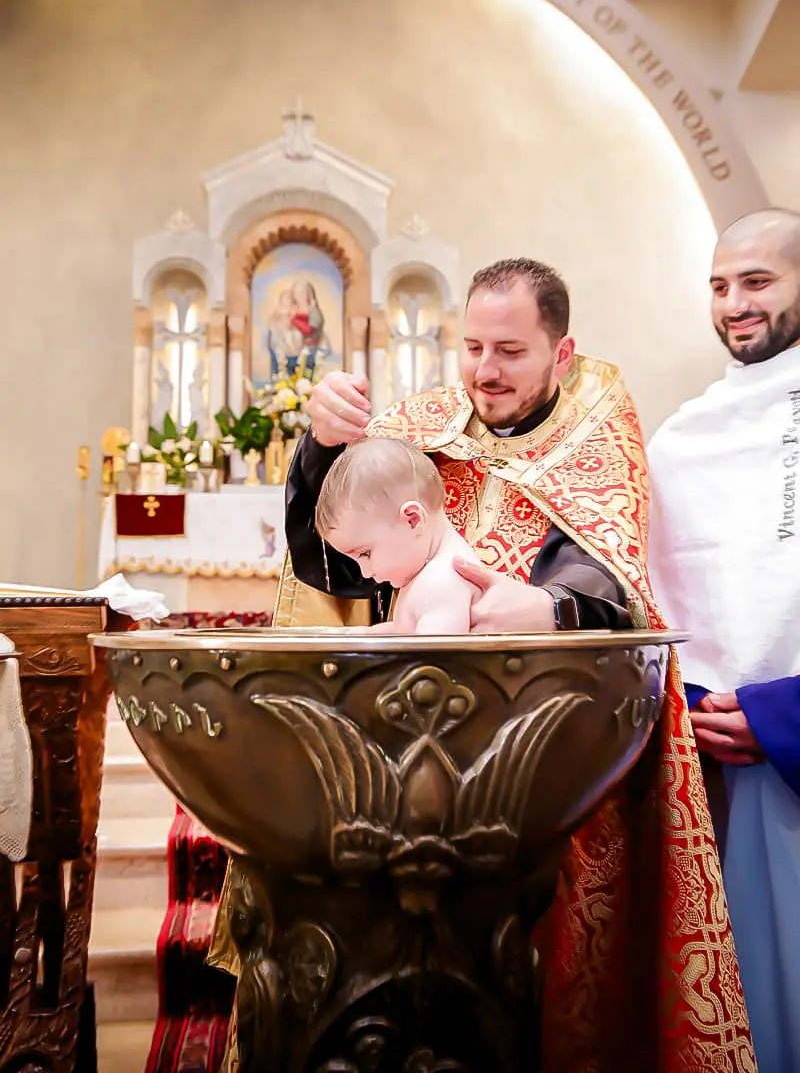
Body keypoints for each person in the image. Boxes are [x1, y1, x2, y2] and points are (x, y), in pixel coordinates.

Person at [211, 257, 753, 1072]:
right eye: (471, 347)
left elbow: (608, 555)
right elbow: (345, 565)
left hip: (544, 756)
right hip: (403, 762)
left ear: (560, 354)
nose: (484, 371)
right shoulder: (425, 423)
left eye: (510, 351)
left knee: (535, 987)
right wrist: (321, 448)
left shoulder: (598, 424)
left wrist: (552, 607)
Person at [647, 207, 800, 1072]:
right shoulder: (682, 437)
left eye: (757, 281)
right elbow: (660, 594)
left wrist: (786, 714)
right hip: (712, 768)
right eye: (718, 285)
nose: (734, 304)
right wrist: (700, 706)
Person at [315, 435, 480, 633]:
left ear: (413, 520)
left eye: (365, 554)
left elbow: (432, 661)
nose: (365, 573)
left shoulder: (442, 582)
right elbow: (405, 631)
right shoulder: (429, 574)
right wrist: (357, 635)